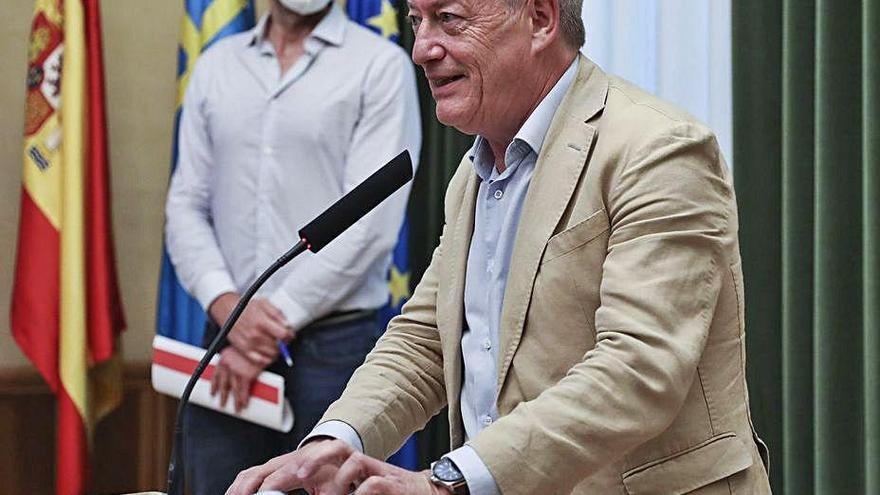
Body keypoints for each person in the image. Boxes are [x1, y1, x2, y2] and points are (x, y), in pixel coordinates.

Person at [226, 0, 772, 493]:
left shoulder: (657, 150)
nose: (421, 49)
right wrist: (335, 442)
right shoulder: (474, 171)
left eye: (450, 19)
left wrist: (447, 481)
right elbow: (428, 343)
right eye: (417, 20)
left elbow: (639, 370)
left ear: (539, 18)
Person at [163, 0, 421, 493]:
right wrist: (227, 306)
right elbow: (185, 205)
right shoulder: (218, 64)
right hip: (224, 341)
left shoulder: (380, 64)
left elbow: (369, 223)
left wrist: (267, 321)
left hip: (335, 350)